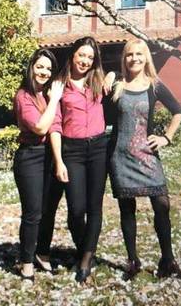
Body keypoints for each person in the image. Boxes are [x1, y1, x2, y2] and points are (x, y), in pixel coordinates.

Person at [107, 39, 181, 280]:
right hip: (120, 156)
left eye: (139, 54)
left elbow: (178, 111)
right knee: (127, 208)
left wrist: (166, 138)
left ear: (146, 58)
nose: (134, 58)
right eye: (130, 55)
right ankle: (133, 260)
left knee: (162, 204)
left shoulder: (155, 85)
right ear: (125, 59)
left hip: (148, 157)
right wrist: (109, 74)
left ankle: (168, 260)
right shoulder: (117, 86)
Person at [49, 36, 114, 284]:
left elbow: (121, 78)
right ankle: (85, 247)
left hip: (98, 147)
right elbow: (55, 124)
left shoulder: (98, 81)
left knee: (94, 207)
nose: (85, 61)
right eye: (81, 55)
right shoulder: (59, 85)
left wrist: (113, 76)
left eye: (90, 57)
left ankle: (86, 259)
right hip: (72, 151)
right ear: (73, 55)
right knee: (76, 209)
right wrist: (59, 161)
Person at [12, 48, 64, 279]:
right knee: (33, 213)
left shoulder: (49, 93)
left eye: (49, 68)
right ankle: (26, 263)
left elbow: (56, 126)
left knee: (48, 211)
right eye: (40, 66)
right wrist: (54, 100)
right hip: (30, 157)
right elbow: (41, 127)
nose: (44, 72)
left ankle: (42, 253)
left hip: (51, 154)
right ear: (31, 67)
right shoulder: (24, 96)